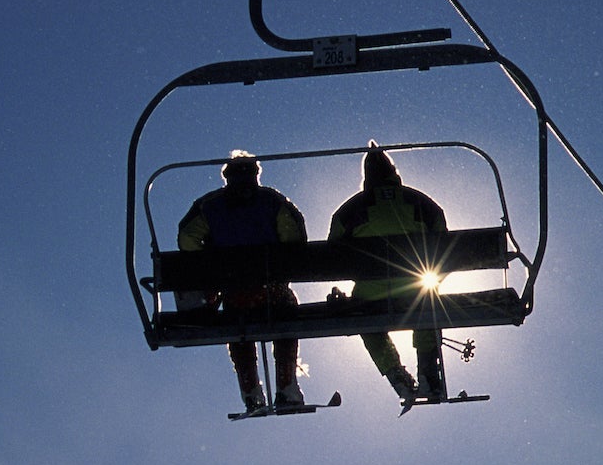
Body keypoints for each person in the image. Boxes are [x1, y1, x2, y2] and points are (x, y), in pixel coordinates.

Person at [176, 152, 308, 413]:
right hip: (272, 293)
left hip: (236, 295)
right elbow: (294, 236)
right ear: (256, 174)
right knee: (287, 317)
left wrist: (213, 261)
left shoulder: (210, 205)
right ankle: (287, 387)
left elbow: (187, 238)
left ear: (227, 177)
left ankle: (250, 392)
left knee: (238, 327)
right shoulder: (272, 200)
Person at [327, 144, 449, 402]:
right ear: (394, 172)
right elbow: (446, 249)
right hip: (414, 289)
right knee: (426, 303)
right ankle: (428, 374)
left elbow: (332, 256)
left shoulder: (350, 210)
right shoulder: (420, 203)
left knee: (364, 319)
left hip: (370, 297)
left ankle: (397, 376)